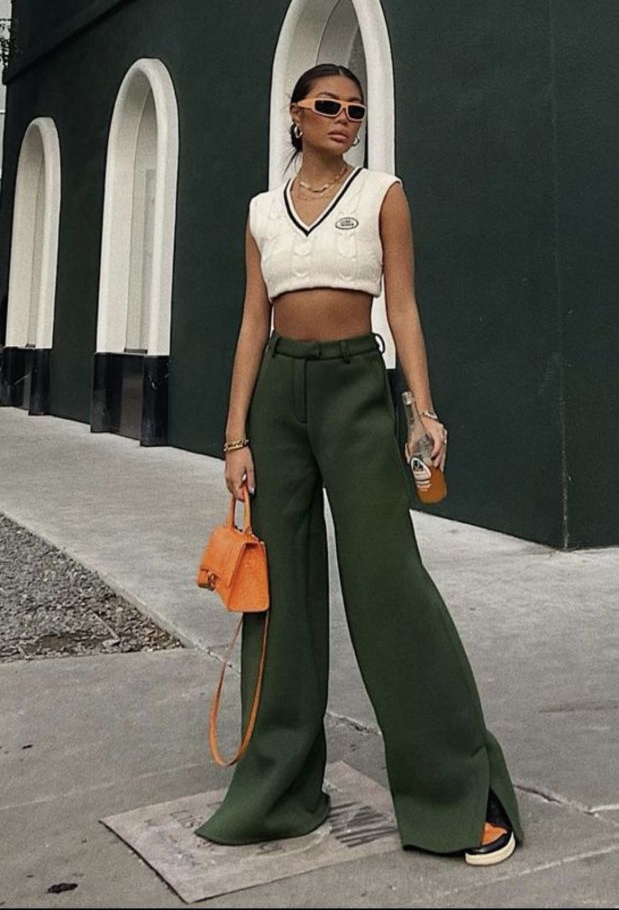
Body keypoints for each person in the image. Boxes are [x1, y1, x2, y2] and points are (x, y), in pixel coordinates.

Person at [194, 62, 524, 866]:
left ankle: (454, 788)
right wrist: (235, 439)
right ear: (295, 114)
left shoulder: (382, 195)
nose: (346, 119)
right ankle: (277, 790)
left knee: (387, 580)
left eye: (356, 110)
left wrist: (424, 407)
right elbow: (249, 323)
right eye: (329, 107)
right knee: (280, 597)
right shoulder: (261, 212)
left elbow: (402, 304)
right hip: (276, 399)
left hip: (354, 388)